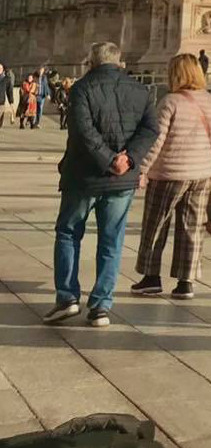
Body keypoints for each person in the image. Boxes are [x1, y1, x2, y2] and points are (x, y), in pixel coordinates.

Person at [44, 41, 159, 328]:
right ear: (119, 62)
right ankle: (100, 307)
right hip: (121, 180)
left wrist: (108, 160)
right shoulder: (140, 89)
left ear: (92, 62)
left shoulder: (81, 88)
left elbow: (83, 131)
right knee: (111, 240)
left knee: (68, 233)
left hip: (84, 177)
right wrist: (128, 160)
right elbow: (150, 128)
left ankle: (67, 298)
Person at [131, 53, 211, 301]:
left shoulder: (170, 102)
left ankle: (151, 278)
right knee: (192, 228)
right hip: (202, 174)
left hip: (169, 173)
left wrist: (142, 169)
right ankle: (186, 282)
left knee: (156, 225)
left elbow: (156, 141)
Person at [0, 62, 14, 129]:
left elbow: (9, 91)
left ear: (3, 69)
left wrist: (11, 101)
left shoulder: (6, 79)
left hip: (1, 102)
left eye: (0, 68)